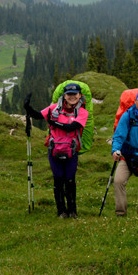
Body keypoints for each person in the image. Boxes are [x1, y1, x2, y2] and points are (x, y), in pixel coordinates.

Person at [23, 83, 89, 218]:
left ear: (80, 96)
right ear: (64, 96)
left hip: (72, 151)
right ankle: (61, 211)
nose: (72, 97)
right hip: (54, 151)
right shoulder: (54, 109)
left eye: (75, 94)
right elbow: (37, 115)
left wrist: (53, 123)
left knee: (70, 180)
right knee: (58, 180)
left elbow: (72, 127)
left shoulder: (82, 111)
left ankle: (72, 211)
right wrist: (27, 107)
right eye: (69, 94)